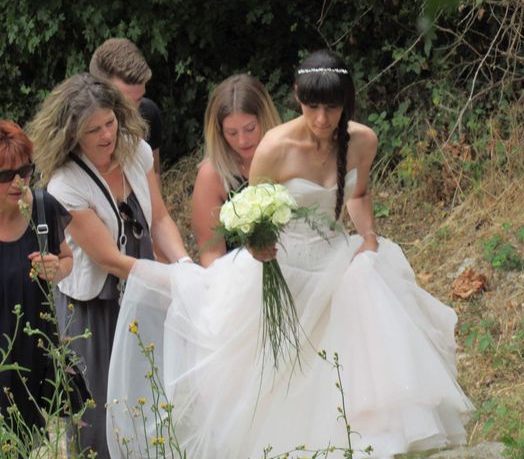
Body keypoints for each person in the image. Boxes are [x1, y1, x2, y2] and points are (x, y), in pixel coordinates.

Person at [107, 50, 474, 458]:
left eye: (331, 108)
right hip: (285, 261)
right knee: (275, 370)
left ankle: (370, 432)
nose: (321, 119)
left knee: (366, 304)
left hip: (337, 256)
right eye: (311, 107)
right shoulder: (275, 147)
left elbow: (360, 193)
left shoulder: (363, 140)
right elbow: (256, 215)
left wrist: (368, 236)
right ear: (297, 98)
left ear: (346, 102)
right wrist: (256, 245)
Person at [26, 73, 192, 458]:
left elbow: (161, 219)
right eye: (92, 130)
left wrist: (182, 264)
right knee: (97, 414)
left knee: (149, 396)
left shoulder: (138, 152)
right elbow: (108, 259)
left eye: (109, 123)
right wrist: (168, 280)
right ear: (71, 135)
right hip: (93, 308)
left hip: (145, 289)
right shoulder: (64, 184)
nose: (106, 136)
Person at [0, 120, 73, 445]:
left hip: (29, 358)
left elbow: (67, 260)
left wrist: (57, 269)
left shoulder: (42, 208)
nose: (18, 182)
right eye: (6, 176)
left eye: (25, 171)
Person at [191, 74, 281, 266]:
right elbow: (211, 254)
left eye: (250, 128)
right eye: (232, 133)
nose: (242, 141)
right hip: (237, 276)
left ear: (264, 119)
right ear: (219, 133)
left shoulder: (286, 156)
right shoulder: (212, 175)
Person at [89, 38, 163, 185]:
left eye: (139, 99)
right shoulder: (76, 134)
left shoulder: (148, 113)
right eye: (123, 102)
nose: (133, 111)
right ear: (98, 91)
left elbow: (154, 174)